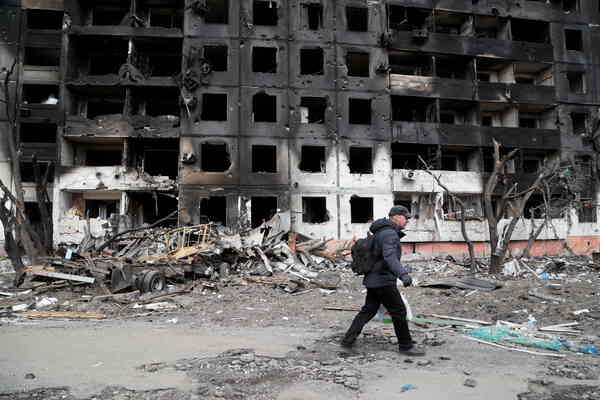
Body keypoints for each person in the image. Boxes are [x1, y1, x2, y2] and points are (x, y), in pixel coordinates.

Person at [341, 205, 425, 356]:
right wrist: (403, 274)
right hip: (383, 280)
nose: (407, 221)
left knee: (369, 310)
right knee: (399, 311)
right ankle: (406, 346)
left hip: (373, 279)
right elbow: (389, 257)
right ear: (396, 216)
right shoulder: (389, 234)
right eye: (406, 218)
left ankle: (348, 340)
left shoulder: (380, 232)